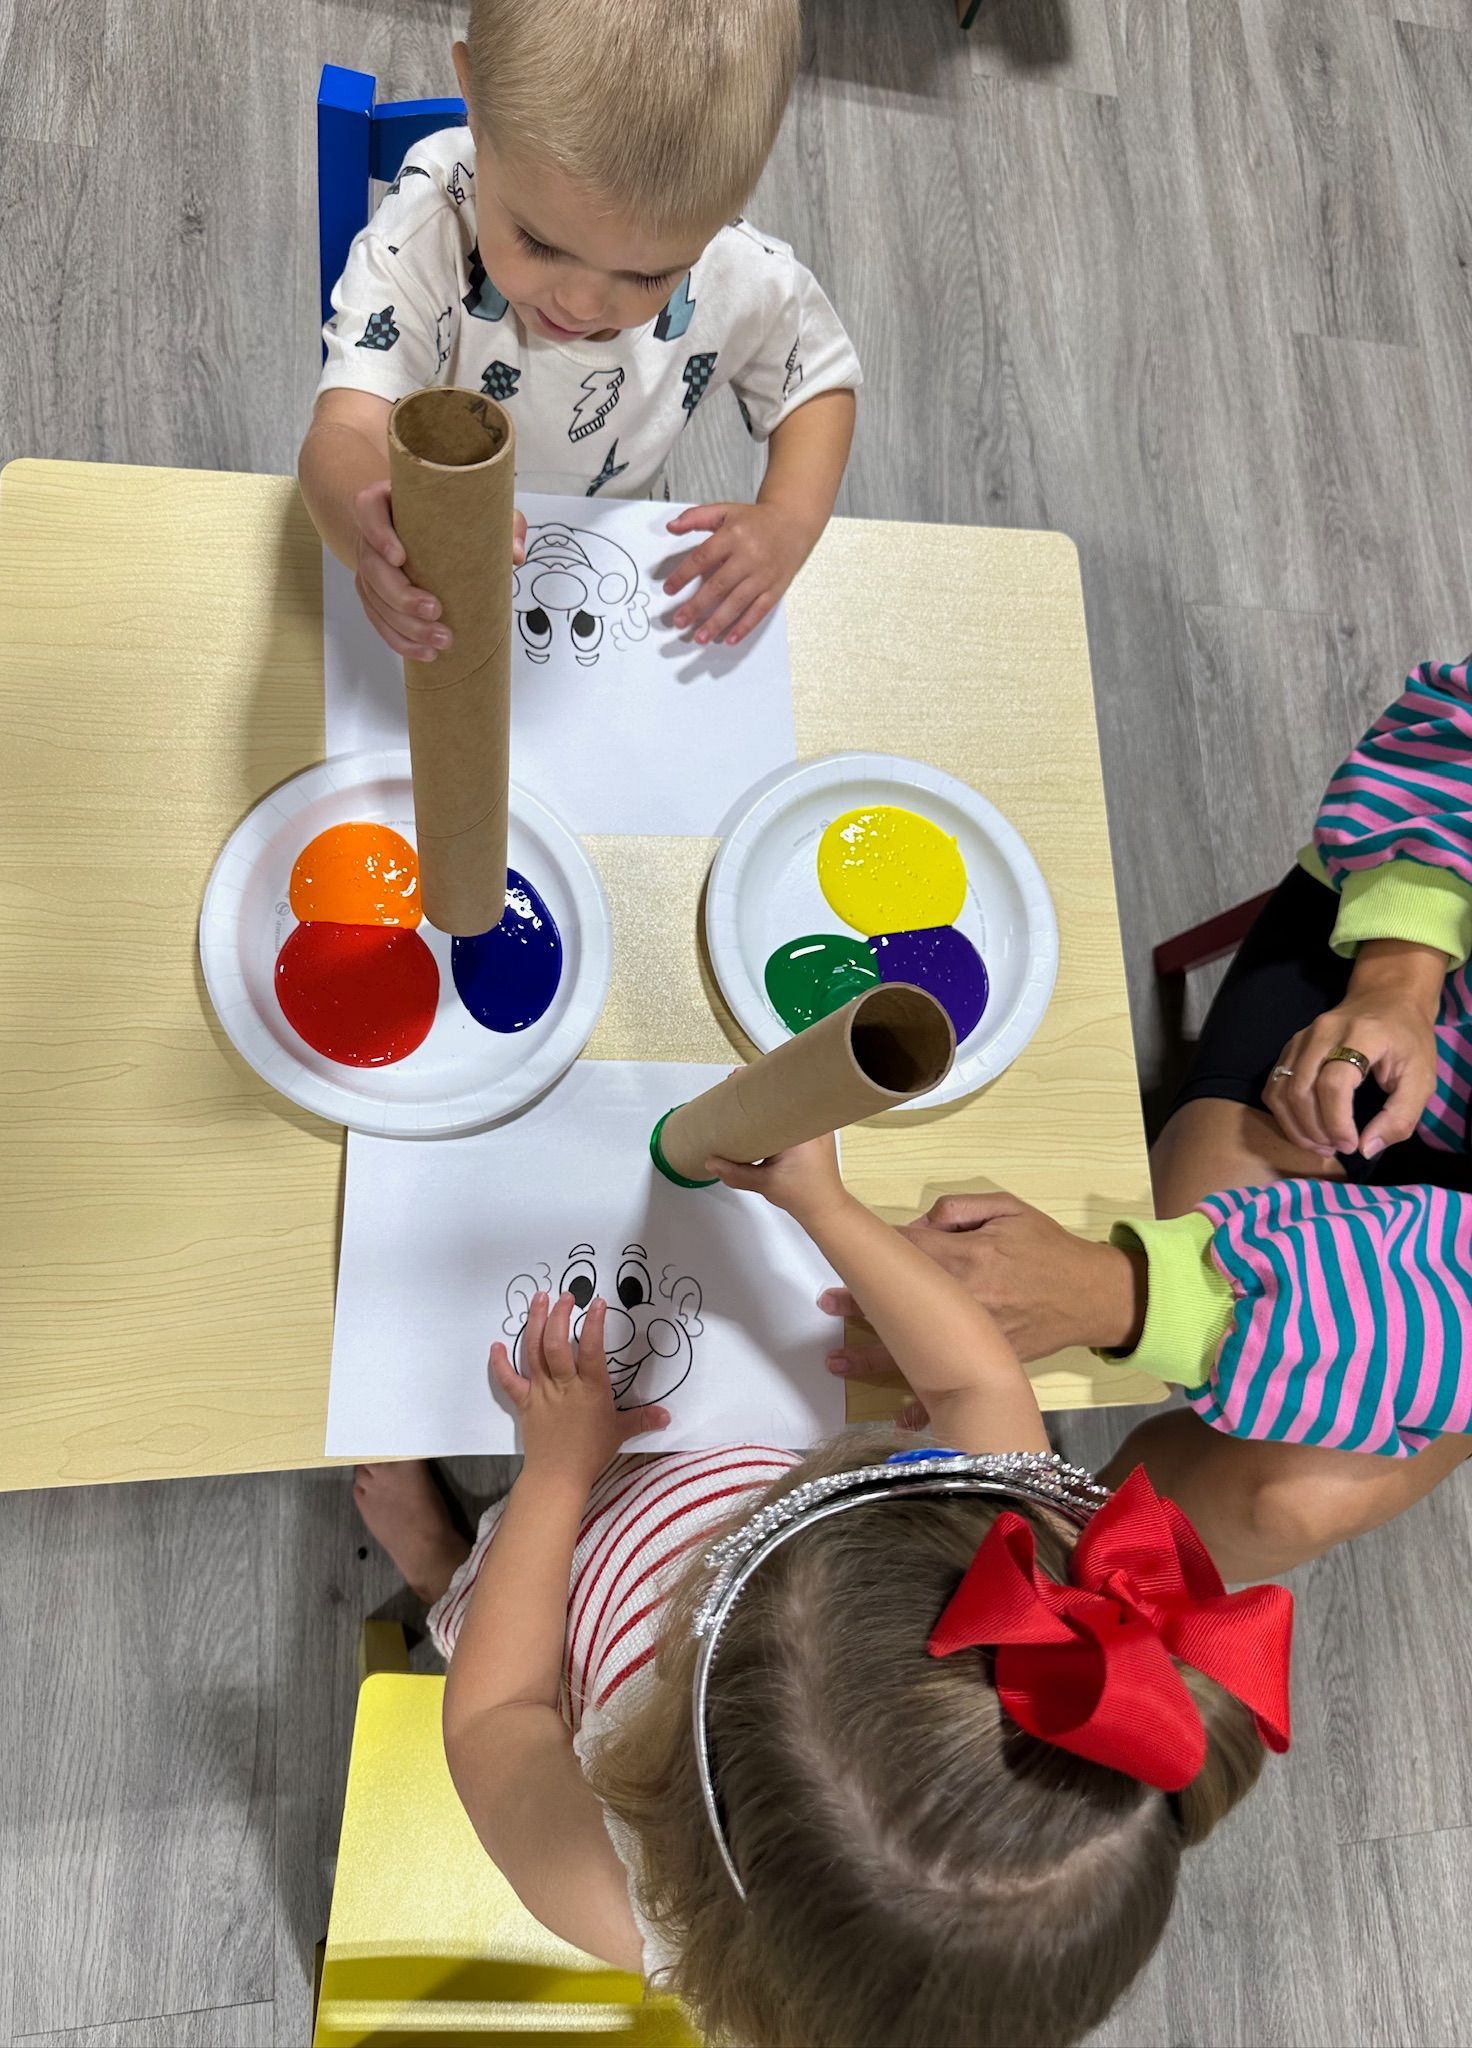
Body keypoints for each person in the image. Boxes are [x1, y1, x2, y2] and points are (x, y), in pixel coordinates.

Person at [355, 1135, 1291, 2048]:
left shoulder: (623, 1894)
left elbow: (498, 1713)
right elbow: (976, 1382)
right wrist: (824, 1206)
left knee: (485, 1613)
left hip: (563, 1613)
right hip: (716, 1447)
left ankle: (441, 1565)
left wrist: (556, 1474)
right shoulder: (1021, 1604)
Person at [820, 658, 1472, 1581]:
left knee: (1293, 1493)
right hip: (1421, 965)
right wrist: (1401, 978)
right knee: (1203, 1259)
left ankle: (1059, 1604)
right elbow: (1458, 727)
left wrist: (1127, 1294)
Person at [298, 0, 860, 662]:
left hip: (601, 549)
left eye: (648, 276)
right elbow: (341, 435)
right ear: (472, 96)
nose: (582, 302)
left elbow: (818, 382)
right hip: (433, 545)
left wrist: (787, 522)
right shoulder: (433, 223)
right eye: (537, 242)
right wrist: (375, 532)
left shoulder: (729, 266)